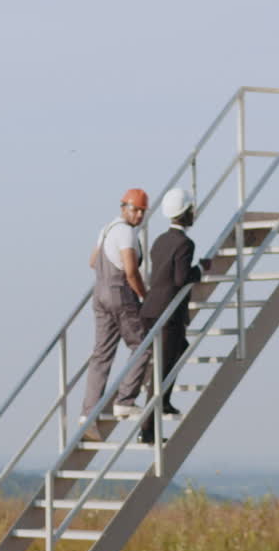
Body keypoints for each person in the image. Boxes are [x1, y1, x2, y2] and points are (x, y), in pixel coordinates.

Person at [139, 187, 211, 444]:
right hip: (167, 313)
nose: (194, 213)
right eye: (191, 210)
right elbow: (181, 278)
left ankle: (165, 402)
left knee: (177, 351)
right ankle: (147, 431)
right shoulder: (185, 244)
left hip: (150, 309)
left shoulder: (160, 240)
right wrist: (201, 269)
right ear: (185, 213)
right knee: (161, 370)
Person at [80, 188, 151, 425]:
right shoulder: (127, 234)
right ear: (124, 208)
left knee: (101, 353)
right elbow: (131, 272)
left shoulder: (107, 229)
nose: (139, 215)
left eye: (142, 211)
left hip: (99, 293)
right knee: (143, 344)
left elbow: (93, 261)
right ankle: (125, 401)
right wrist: (145, 295)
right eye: (135, 210)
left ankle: (88, 412)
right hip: (119, 293)